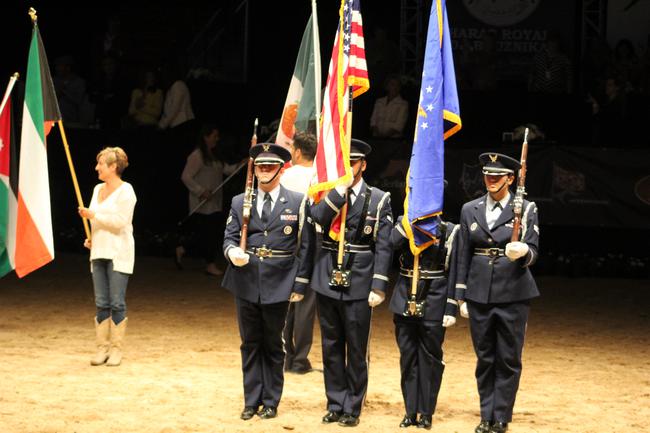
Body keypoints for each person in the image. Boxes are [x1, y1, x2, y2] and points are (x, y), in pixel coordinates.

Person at [221, 142, 314, 421]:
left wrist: (299, 284)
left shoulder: (297, 202)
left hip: (280, 279)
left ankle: (271, 400)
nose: (263, 171)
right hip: (246, 279)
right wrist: (231, 252)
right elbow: (229, 236)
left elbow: (306, 247)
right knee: (249, 342)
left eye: (269, 166)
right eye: (260, 166)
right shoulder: (241, 201)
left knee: (274, 343)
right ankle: (252, 400)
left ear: (281, 170)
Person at [454, 152, 540, 433]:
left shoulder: (525, 209)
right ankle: (486, 414)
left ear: (511, 179)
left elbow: (534, 249)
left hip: (513, 292)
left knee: (508, 358)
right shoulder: (470, 209)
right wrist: (461, 295)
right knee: (485, 357)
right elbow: (462, 254)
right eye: (487, 175)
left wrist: (524, 251)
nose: (491, 180)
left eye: (497, 176)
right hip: (479, 292)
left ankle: (501, 416)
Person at [310, 139, 393, 427]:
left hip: (359, 278)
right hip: (327, 274)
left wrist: (379, 285)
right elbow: (317, 219)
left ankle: (352, 405)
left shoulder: (379, 199)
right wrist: (338, 192)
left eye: (354, 162)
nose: (349, 167)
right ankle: (334, 402)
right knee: (331, 345)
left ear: (363, 164)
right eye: (345, 162)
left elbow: (383, 245)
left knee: (356, 347)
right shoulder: (330, 194)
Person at [389, 213, 459, 430]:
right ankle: (410, 411)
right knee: (408, 357)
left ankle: (426, 412)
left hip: (434, 298)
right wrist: (408, 224)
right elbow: (391, 243)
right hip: (404, 297)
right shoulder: (404, 223)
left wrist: (451, 306)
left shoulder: (450, 230)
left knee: (430, 358)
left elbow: (455, 272)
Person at [78, 147, 137, 367]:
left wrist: (93, 215)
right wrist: (93, 237)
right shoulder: (96, 189)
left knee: (116, 302)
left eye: (100, 163)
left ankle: (116, 349)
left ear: (113, 167)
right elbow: (100, 223)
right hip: (99, 251)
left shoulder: (127, 191)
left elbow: (120, 221)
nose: (96, 167)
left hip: (118, 252)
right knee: (101, 302)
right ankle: (102, 347)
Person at [178, 123, 241, 276]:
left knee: (209, 234)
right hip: (201, 203)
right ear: (206, 137)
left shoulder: (215, 155)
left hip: (214, 202)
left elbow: (227, 170)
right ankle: (209, 263)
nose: (217, 139)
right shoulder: (197, 155)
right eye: (214, 136)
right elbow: (186, 177)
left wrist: (241, 164)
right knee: (207, 234)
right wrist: (201, 191)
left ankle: (183, 249)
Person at [280, 131, 317, 374]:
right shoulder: (322, 176)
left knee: (284, 300)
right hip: (313, 244)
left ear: (297, 151)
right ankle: (300, 359)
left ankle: (285, 356)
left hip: (288, 241)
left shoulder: (288, 175)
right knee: (306, 304)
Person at [369, 74, 409, 139]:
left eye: (397, 85)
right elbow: (373, 120)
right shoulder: (379, 101)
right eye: (392, 84)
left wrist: (385, 136)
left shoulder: (403, 104)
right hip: (376, 138)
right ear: (387, 86)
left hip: (393, 140)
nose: (395, 87)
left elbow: (400, 124)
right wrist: (377, 133)